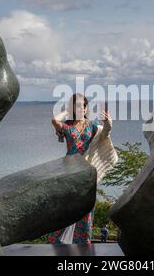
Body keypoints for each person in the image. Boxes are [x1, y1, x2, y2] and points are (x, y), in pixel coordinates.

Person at [48, 93, 117, 244]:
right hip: (69, 171)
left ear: (87, 108)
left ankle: (83, 243)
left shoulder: (92, 127)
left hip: (86, 172)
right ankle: (55, 241)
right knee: (64, 207)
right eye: (77, 105)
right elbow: (54, 121)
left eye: (83, 105)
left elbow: (105, 134)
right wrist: (67, 111)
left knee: (85, 210)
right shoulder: (67, 126)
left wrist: (108, 123)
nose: (81, 108)